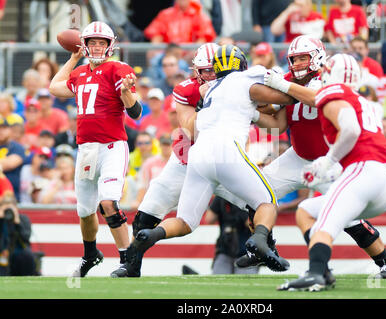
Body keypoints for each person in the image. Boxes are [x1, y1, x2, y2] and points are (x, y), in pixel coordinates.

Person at [112, 44, 295, 278]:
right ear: (195, 71)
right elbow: (190, 129)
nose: (209, 75)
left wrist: (251, 106)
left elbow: (270, 117)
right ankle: (132, 264)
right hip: (188, 161)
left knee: (246, 207)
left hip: (205, 161)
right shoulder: (197, 88)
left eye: (212, 69)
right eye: (204, 71)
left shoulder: (231, 84)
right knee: (147, 214)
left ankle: (265, 250)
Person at [241, 37, 386, 280]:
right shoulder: (288, 82)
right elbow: (279, 124)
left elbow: (315, 98)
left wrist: (281, 87)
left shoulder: (325, 81)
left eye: (303, 57)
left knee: (348, 218)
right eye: (293, 59)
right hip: (297, 156)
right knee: (256, 193)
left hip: (329, 161)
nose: (297, 63)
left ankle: (385, 261)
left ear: (317, 58)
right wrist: (252, 111)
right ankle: (266, 247)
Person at [272, 53, 386, 291]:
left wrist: (327, 161)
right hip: (382, 179)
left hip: (363, 172)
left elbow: (351, 131)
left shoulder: (334, 93)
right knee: (305, 211)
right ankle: (324, 271)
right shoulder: (363, 100)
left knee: (325, 227)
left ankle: (316, 274)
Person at [49, 21, 142, 277]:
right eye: (93, 42)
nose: (98, 47)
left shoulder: (117, 69)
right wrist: (73, 58)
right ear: (85, 45)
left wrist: (126, 93)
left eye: (102, 42)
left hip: (112, 146)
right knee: (85, 210)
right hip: (86, 150)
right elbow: (54, 87)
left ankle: (128, 260)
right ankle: (91, 255)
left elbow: (135, 112)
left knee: (108, 202)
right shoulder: (79, 73)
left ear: (110, 45)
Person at [204, 196, 259, 275]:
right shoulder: (222, 196)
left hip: (246, 252)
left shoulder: (248, 197)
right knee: (218, 281)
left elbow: (252, 225)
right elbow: (209, 219)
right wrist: (220, 202)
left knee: (244, 283)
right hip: (225, 249)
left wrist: (240, 211)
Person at [0, 175, 41, 276]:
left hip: (19, 252)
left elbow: (25, 238)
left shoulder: (23, 218)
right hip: (3, 251)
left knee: (27, 255)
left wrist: (17, 222)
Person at [143, 0, 216, 44]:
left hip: (190, 55)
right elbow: (156, 34)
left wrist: (193, 52)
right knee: (152, 53)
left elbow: (204, 37)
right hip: (169, 53)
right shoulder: (165, 14)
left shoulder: (198, 15)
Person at [0, 117, 26, 202]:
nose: (1, 131)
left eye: (3, 128)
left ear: (9, 130)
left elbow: (10, 164)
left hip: (11, 198)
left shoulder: (17, 147)